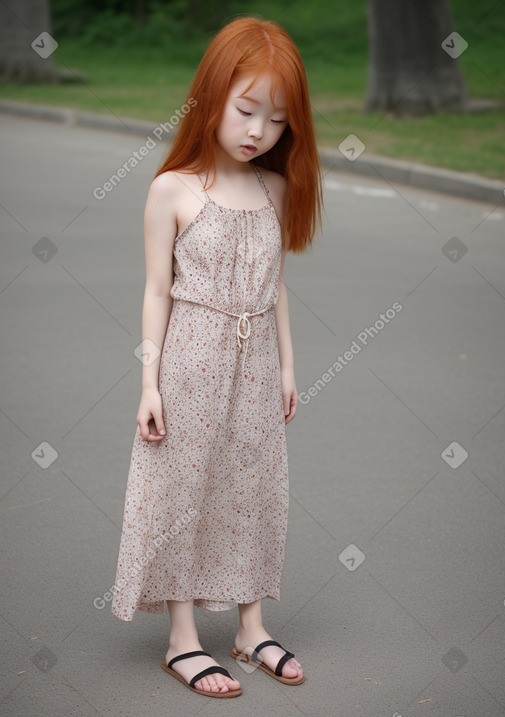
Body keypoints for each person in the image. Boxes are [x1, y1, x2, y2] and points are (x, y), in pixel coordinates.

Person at [111, 15, 323, 699]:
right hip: (190, 361)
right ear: (212, 96)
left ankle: (252, 625)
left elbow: (276, 287)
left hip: (256, 358)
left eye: (278, 119)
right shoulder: (173, 189)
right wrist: (148, 381)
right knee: (183, 490)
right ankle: (182, 639)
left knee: (254, 489)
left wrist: (288, 366)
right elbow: (154, 290)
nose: (259, 129)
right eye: (246, 109)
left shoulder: (275, 189)